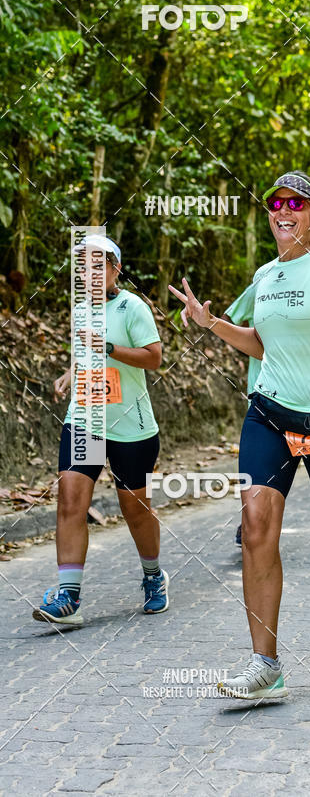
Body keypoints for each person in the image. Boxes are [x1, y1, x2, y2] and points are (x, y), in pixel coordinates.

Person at [169, 170, 310, 698]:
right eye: (275, 202)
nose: (283, 209)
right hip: (269, 415)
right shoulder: (265, 276)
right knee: (255, 526)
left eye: (297, 202)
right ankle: (264, 664)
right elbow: (262, 344)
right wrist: (213, 325)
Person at [34, 235, 166, 626]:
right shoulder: (79, 310)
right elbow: (84, 354)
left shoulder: (133, 307)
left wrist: (108, 348)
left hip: (131, 425)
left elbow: (154, 358)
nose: (90, 273)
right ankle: (68, 597)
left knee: (135, 510)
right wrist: (69, 373)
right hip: (86, 420)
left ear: (115, 269)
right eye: (83, 267)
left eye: (99, 265)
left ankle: (153, 576)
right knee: (71, 500)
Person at [222, 282, 260, 548]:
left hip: (309, 397)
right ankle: (250, 521)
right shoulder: (261, 283)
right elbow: (228, 318)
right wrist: (249, 343)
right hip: (261, 392)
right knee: (259, 465)